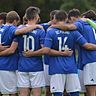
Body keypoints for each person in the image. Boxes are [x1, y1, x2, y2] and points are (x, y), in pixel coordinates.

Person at [51, 9, 96, 96]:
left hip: (91, 59)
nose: (69, 23)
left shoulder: (80, 23)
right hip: (88, 60)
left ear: (72, 18)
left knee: (91, 91)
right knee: (87, 89)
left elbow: (69, 27)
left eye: (69, 21)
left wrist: (54, 26)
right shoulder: (92, 24)